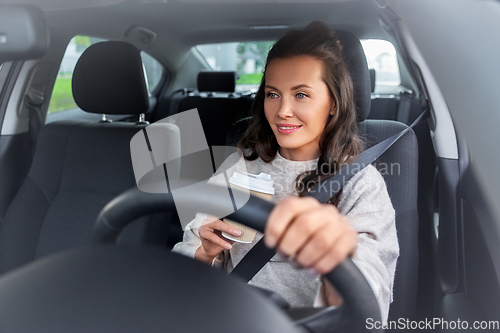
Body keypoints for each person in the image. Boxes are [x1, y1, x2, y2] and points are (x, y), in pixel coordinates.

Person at [172, 21, 398, 321]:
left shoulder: (361, 183)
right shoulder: (239, 167)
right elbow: (182, 269)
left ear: (333, 102)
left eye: (301, 95)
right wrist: (205, 252)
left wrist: (337, 259)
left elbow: (371, 306)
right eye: (273, 93)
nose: (282, 111)